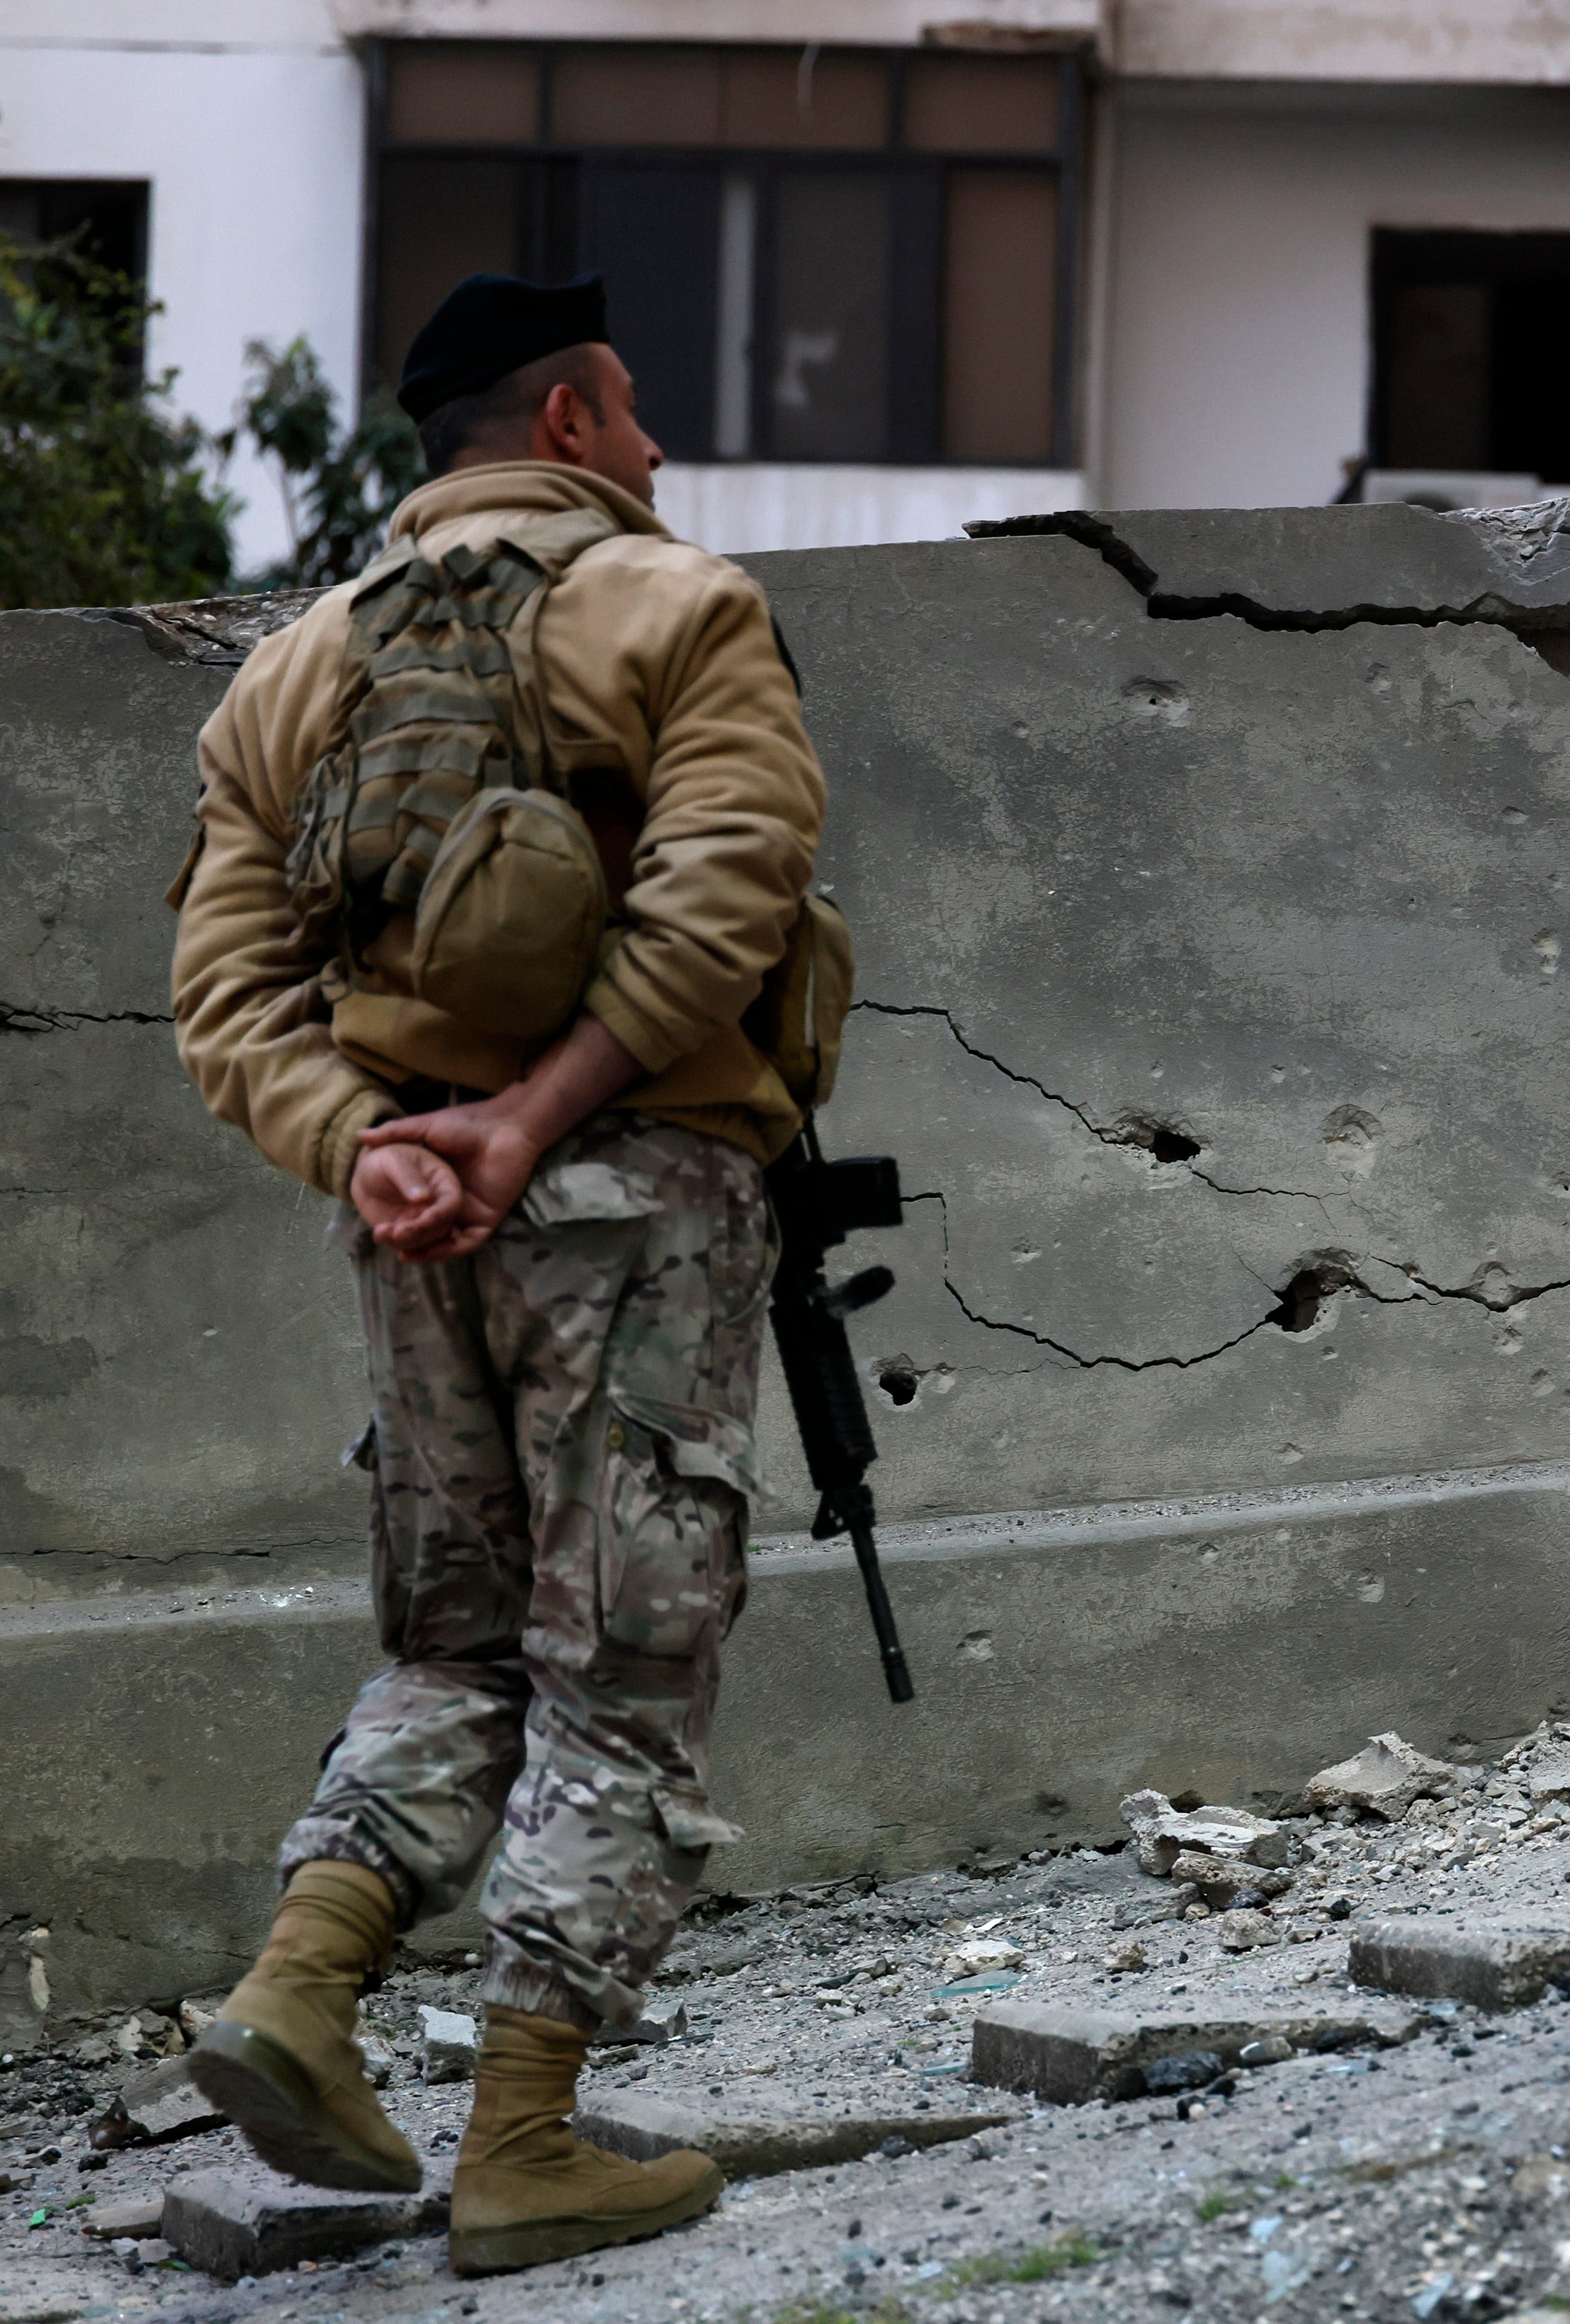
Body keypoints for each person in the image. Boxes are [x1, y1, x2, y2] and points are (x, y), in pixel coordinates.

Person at [166, 271, 828, 2277]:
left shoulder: (286, 676)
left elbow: (225, 994)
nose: (651, 454)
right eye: (628, 417)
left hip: (415, 1227)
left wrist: (382, 1152)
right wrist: (535, 1124)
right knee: (620, 1664)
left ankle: (301, 1988)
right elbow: (734, 885)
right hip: (625, 1198)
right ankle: (527, 2141)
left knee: (452, 1644)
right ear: (558, 425)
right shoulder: (679, 607)